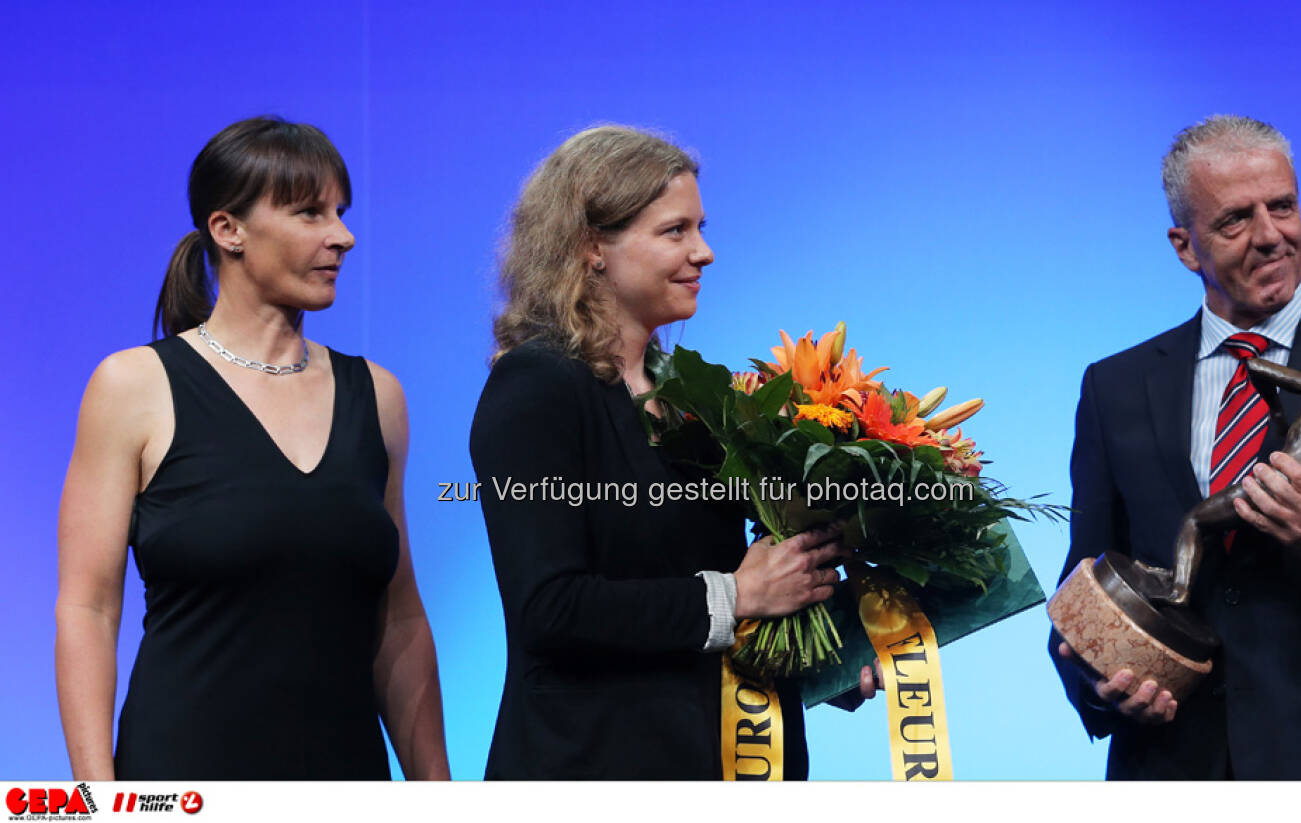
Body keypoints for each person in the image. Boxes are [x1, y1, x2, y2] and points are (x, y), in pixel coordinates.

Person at [470, 126, 881, 779]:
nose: (706, 252)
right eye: (675, 231)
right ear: (590, 247)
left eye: (701, 227)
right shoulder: (537, 386)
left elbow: (719, 595)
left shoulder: (695, 397)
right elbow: (551, 609)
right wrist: (737, 595)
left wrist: (823, 651)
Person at [55, 116, 449, 780]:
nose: (342, 236)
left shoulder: (377, 397)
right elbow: (88, 608)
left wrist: (438, 793)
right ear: (227, 229)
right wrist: (98, 800)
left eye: (341, 212)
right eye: (309, 213)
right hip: (183, 780)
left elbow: (400, 617)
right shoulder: (132, 386)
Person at [1049, 115, 1301, 779]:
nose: (1270, 236)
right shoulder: (1114, 386)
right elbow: (1085, 582)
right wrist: (1098, 684)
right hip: (1166, 770)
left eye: (1282, 206)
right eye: (1235, 219)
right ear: (1186, 246)